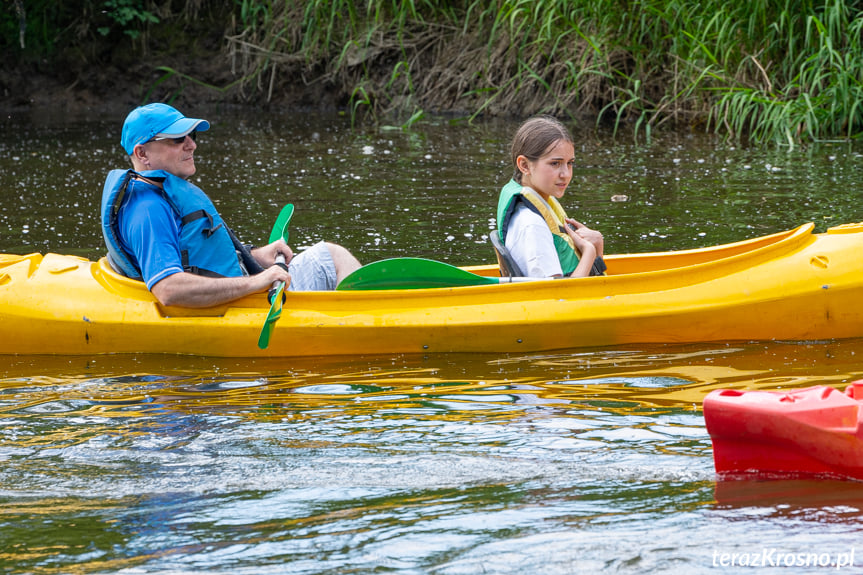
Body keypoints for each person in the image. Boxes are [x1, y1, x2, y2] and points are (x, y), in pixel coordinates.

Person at [101, 103, 361, 307]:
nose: (192, 144)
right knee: (331, 259)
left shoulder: (162, 195)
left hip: (236, 291)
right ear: (142, 154)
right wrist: (258, 281)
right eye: (177, 139)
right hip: (240, 305)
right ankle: (371, 319)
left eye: (190, 135)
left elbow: (198, 257)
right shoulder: (148, 210)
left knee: (331, 255)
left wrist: (256, 256)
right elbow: (168, 289)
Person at [495, 115, 606, 278]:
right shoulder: (532, 225)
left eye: (570, 163)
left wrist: (597, 246)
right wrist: (589, 251)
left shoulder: (536, 205)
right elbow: (558, 295)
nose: (566, 174)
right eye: (555, 163)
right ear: (524, 165)